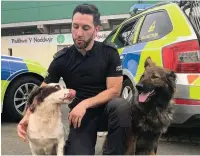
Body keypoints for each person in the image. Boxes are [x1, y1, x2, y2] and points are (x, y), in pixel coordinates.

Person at [17, 3, 132, 155]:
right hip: (80, 119)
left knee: (121, 106)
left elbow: (114, 90)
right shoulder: (62, 59)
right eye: (75, 26)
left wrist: (85, 103)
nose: (78, 33)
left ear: (96, 30)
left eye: (85, 28)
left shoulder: (109, 53)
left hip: (106, 112)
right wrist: (26, 117)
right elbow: (41, 92)